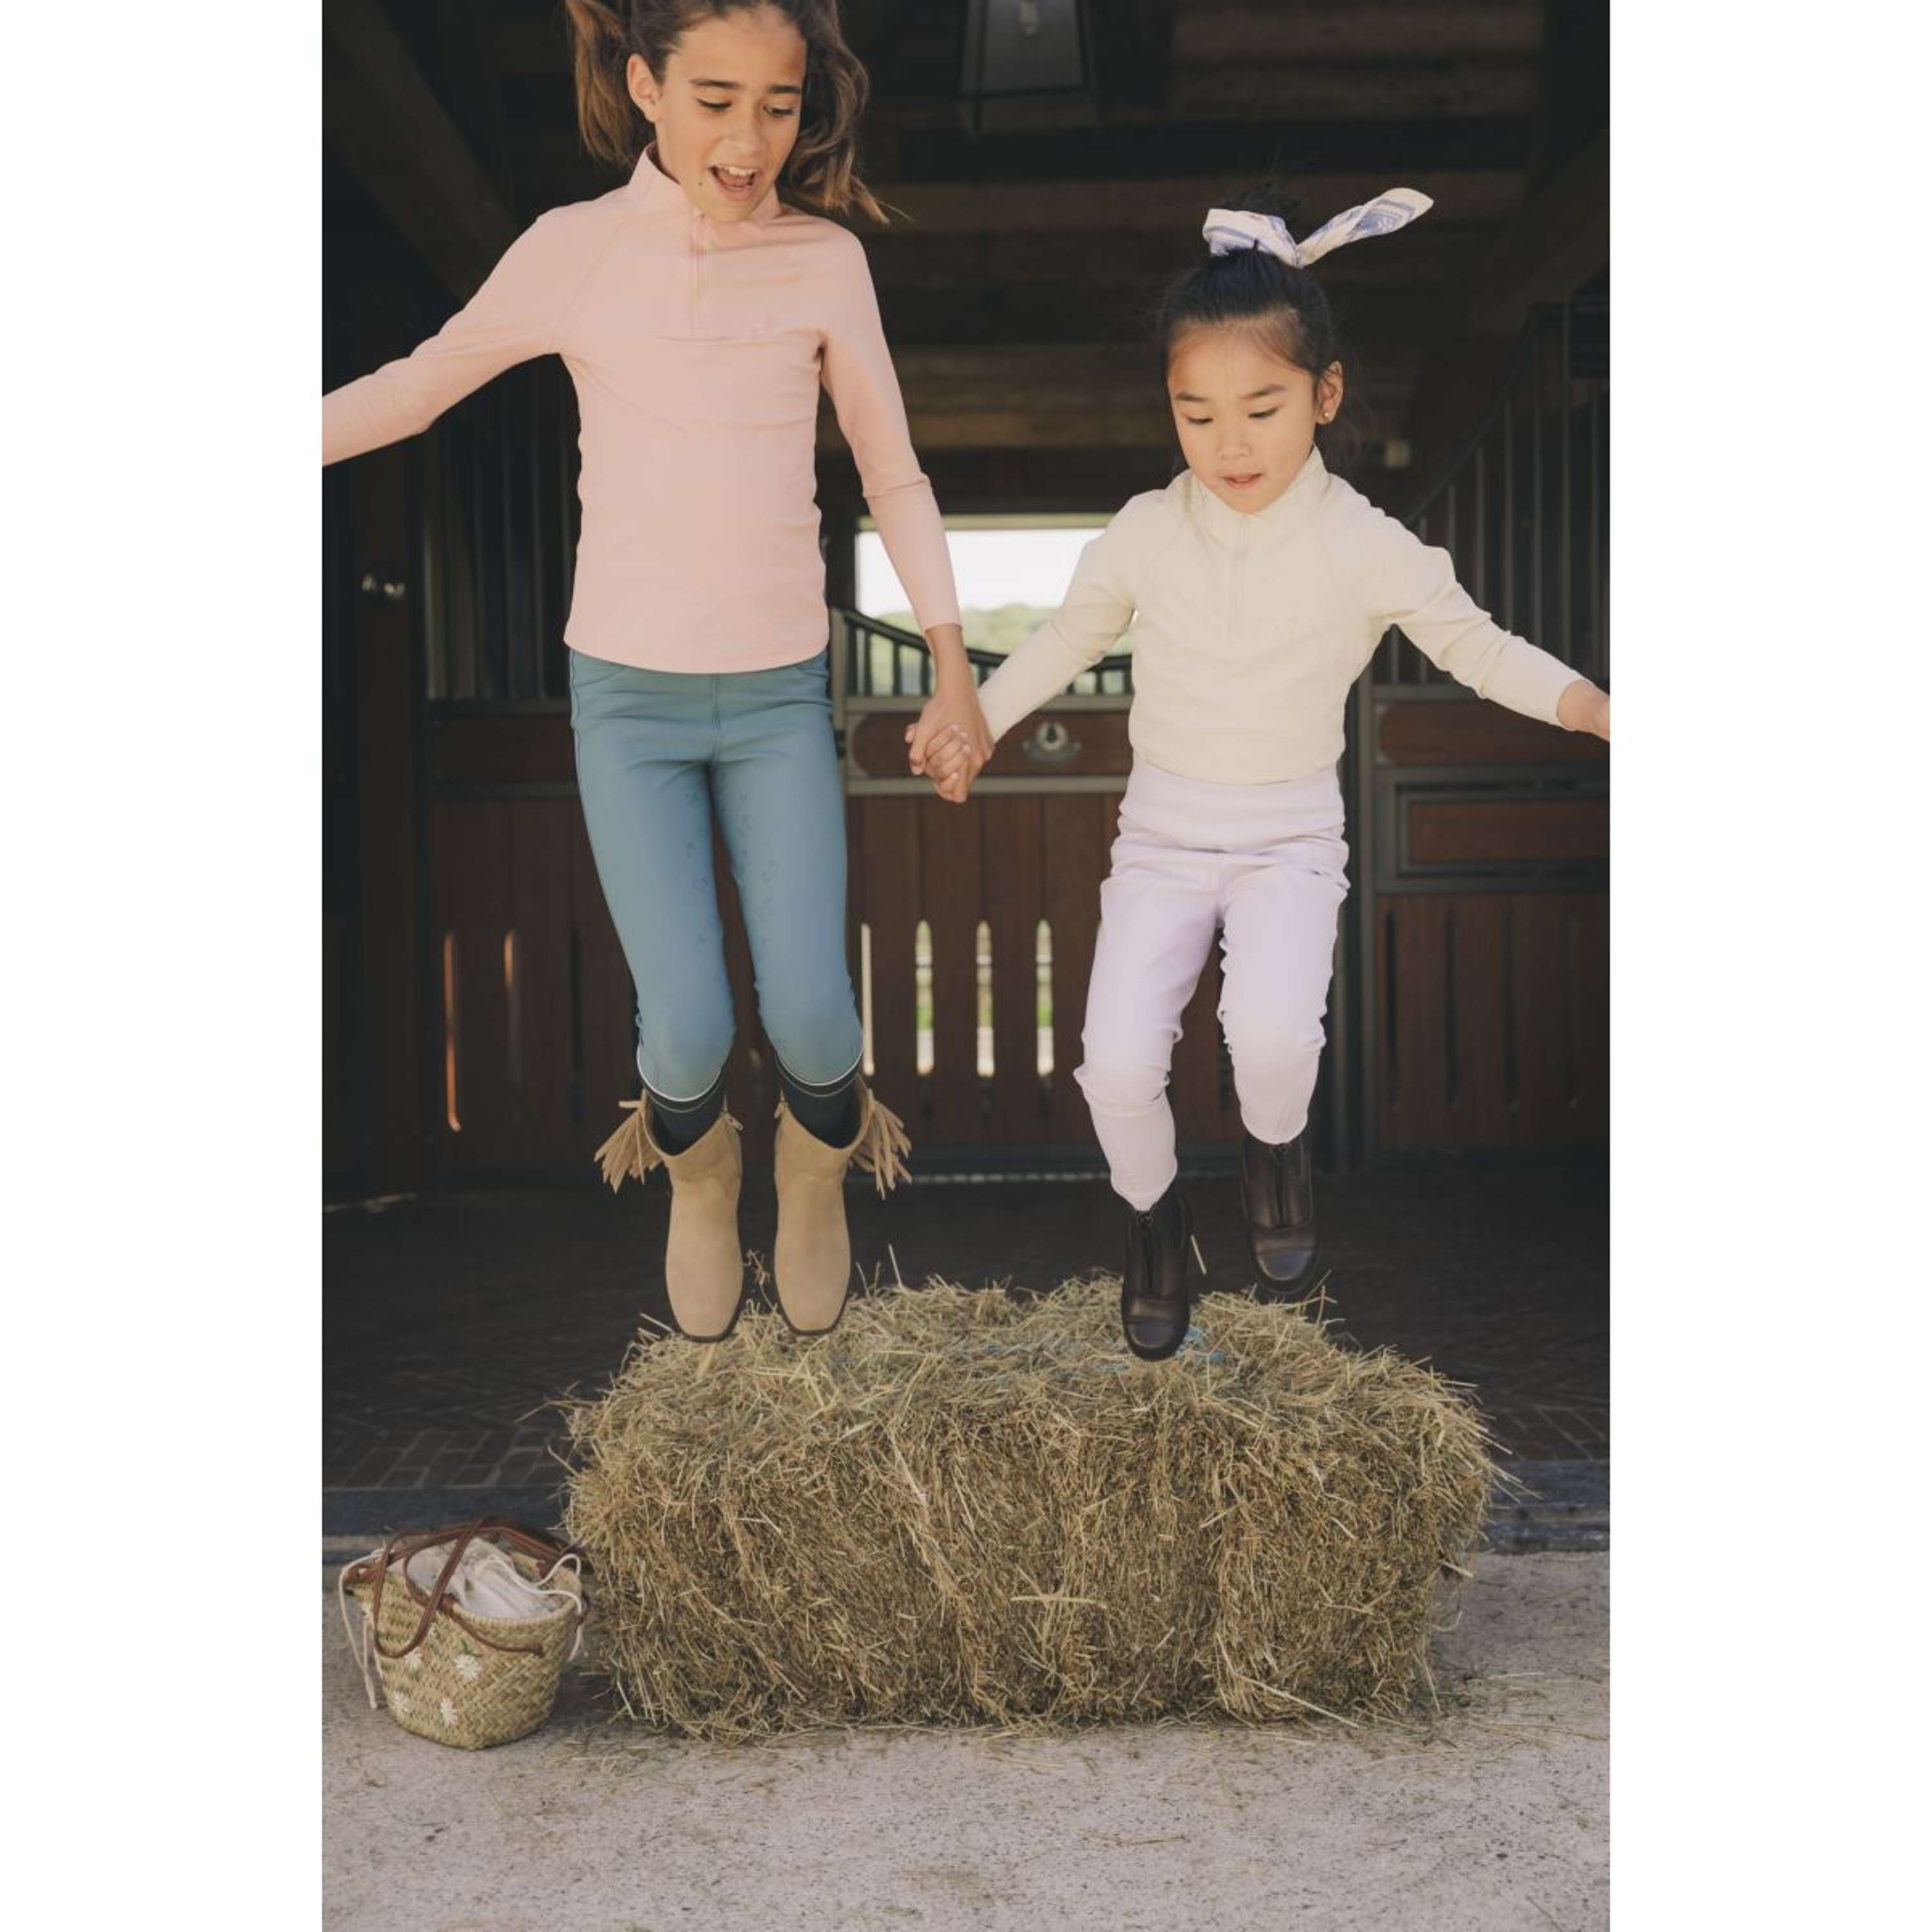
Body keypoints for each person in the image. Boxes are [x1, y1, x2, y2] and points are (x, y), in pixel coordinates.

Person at [325, 1, 992, 1341]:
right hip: (626, 701)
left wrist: (952, 665)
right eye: (715, 100)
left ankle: (815, 1174)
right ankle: (701, 1180)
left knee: (816, 1018)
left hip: (776, 696)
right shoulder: (574, 251)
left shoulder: (825, 264)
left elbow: (894, 470)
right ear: (644, 86)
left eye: (780, 107)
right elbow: (415, 387)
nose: (750, 139)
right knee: (684, 1030)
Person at [914, 187, 1610, 1361]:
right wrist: (973, 723)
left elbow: (1479, 646)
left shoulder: (1366, 543)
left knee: (1274, 1039)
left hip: (1290, 837)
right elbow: (1069, 637)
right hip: (1162, 838)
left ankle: (1276, 1158)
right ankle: (1153, 1228)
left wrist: (1593, 707)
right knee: (1114, 1066)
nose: (1229, 445)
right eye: (1197, 415)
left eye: (1261, 409)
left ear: (1324, 396)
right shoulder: (1146, 529)